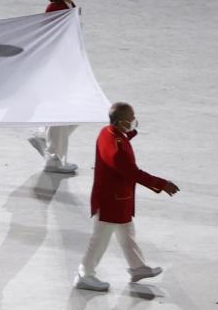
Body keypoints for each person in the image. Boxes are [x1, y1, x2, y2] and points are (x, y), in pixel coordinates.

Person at [75, 102, 179, 292]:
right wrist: (162, 184)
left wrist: (129, 133)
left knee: (126, 234)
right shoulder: (117, 147)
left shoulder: (107, 132)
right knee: (100, 239)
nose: (134, 120)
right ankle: (85, 273)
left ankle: (137, 267)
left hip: (118, 199)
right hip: (111, 201)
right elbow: (133, 172)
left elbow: (122, 143)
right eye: (131, 118)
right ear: (122, 122)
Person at [27, 0, 82, 175]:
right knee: (65, 111)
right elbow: (50, 40)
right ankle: (54, 158)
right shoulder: (55, 8)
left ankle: (46, 137)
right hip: (59, 68)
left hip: (69, 65)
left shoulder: (68, 4)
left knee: (75, 111)